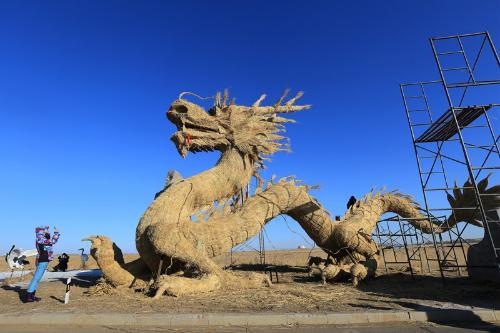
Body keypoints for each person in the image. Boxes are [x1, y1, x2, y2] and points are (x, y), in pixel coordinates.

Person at [24, 226, 60, 303]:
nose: (47, 232)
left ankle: (31, 295)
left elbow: (52, 241)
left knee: (37, 278)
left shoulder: (43, 239)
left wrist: (56, 233)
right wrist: (49, 233)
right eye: (44, 231)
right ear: (41, 233)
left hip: (44, 260)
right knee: (36, 278)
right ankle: (29, 296)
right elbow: (50, 241)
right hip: (42, 260)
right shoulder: (40, 239)